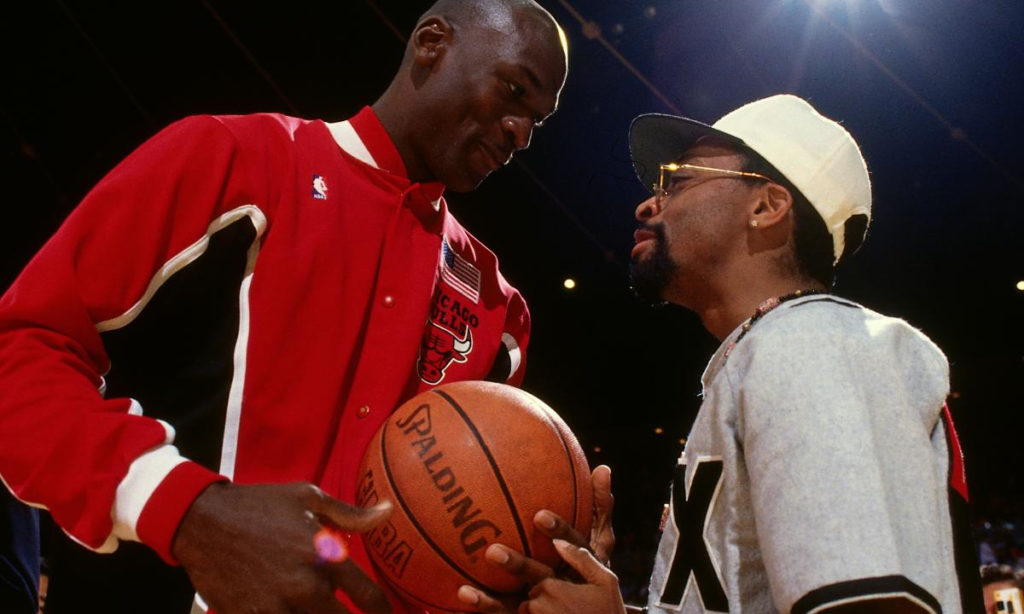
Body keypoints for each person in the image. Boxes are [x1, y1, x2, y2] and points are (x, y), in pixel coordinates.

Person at [0, 1, 572, 612]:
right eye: (513, 91)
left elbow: (459, 543)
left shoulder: (497, 310)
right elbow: (18, 351)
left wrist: (540, 556)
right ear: (432, 43)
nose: (520, 133)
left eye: (535, 120)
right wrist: (184, 507)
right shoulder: (232, 159)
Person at [458, 95, 984, 613]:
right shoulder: (773, 349)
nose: (648, 203)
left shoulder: (814, 343)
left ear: (766, 206)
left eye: (679, 180)